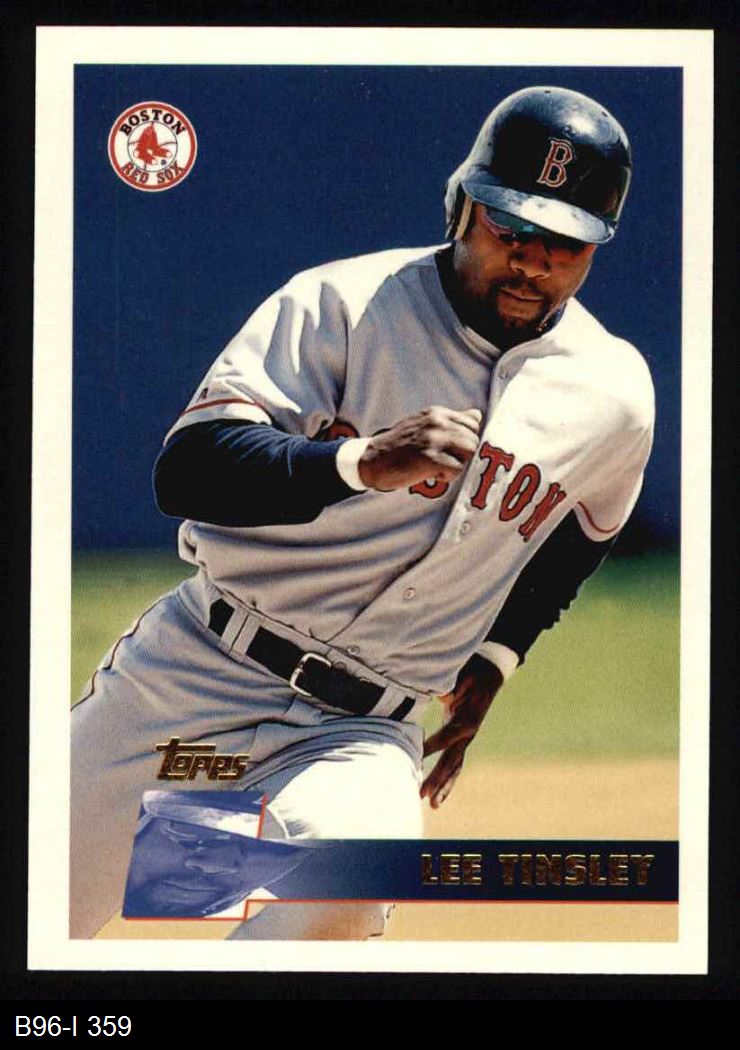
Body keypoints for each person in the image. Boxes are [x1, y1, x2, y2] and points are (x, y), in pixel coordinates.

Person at [71, 85, 654, 940]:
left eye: (565, 242)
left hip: (359, 732)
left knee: (349, 883)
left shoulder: (613, 393)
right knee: (34, 909)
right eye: (510, 228)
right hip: (194, 675)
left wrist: (497, 657)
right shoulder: (344, 303)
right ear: (461, 206)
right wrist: (357, 463)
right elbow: (188, 470)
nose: (533, 261)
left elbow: (580, 536)